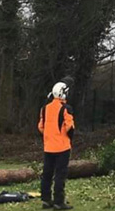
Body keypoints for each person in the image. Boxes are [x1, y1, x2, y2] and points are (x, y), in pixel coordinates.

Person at [38, 81, 75, 210]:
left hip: (48, 147)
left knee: (47, 173)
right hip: (62, 147)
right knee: (60, 174)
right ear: (62, 93)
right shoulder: (66, 109)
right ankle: (59, 201)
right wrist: (66, 138)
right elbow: (70, 126)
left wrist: (49, 136)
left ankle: (46, 199)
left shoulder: (45, 108)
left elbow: (41, 127)